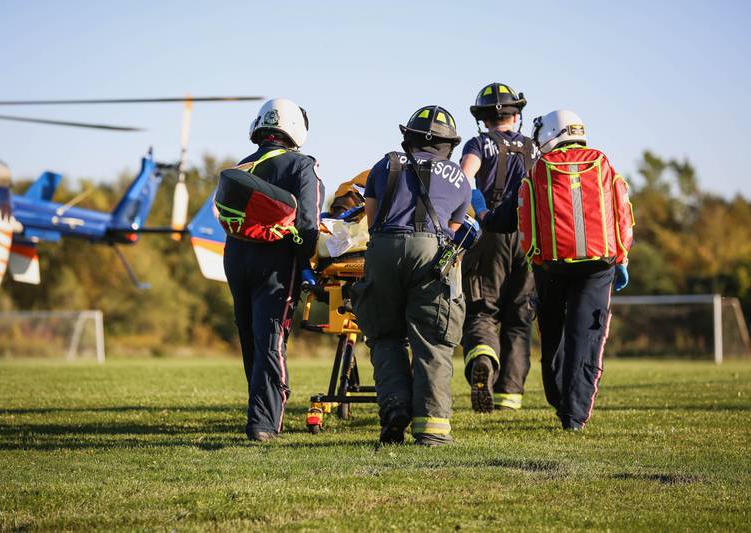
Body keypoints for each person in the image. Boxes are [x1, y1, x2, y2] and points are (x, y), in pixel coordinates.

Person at [472, 110, 634, 430]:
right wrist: (623, 258)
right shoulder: (603, 165)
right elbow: (623, 213)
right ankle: (574, 417)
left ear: (547, 134)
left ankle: (559, 399)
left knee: (554, 336)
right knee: (586, 337)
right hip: (598, 266)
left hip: (550, 267)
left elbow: (503, 221)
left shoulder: (536, 172)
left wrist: (480, 209)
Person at [353, 105, 472, 446]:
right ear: (449, 145)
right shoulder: (459, 179)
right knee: (432, 339)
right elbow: (453, 230)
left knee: (385, 335)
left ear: (409, 138)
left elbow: (372, 221)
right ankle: (432, 430)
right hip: (432, 252)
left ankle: (394, 409)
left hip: (384, 248)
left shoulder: (384, 164)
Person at [223, 98, 325, 441]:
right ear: (296, 129)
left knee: (251, 338)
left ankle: (261, 409)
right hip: (276, 264)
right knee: (271, 337)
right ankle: (264, 422)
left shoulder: (243, 165)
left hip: (236, 259)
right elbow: (309, 223)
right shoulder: (301, 166)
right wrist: (307, 263)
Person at [460, 82, 539, 413]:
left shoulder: (479, 143)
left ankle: (483, 359)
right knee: (520, 316)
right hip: (528, 237)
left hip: (488, 233)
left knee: (482, 308)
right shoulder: (534, 147)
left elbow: (464, 179)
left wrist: (479, 209)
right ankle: (510, 395)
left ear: (483, 119)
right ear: (516, 115)